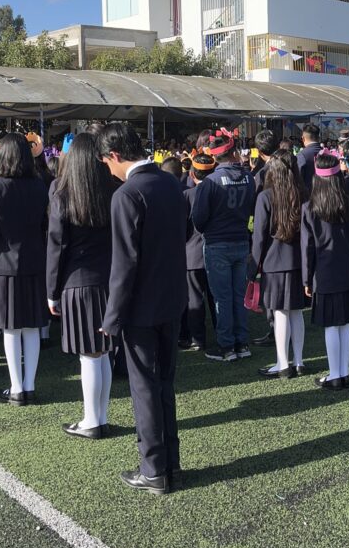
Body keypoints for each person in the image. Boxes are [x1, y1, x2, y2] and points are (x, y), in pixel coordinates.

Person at [98, 125, 188, 494]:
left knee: (145, 389)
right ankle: (170, 463)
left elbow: (124, 265)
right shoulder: (170, 183)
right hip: (172, 298)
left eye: (106, 161)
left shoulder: (127, 194)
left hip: (141, 307)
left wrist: (111, 317)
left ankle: (153, 469)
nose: (107, 169)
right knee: (164, 384)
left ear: (115, 156)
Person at [49, 132, 117, 437]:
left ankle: (93, 420)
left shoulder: (62, 195)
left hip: (77, 283)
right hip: (109, 280)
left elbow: (56, 247)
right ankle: (98, 416)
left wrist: (51, 291)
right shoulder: (114, 190)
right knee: (101, 352)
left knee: (89, 354)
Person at [0, 137, 51, 406]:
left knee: (11, 328)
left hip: (2, 264)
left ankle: (17, 387)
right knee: (32, 325)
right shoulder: (38, 186)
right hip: (35, 261)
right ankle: (28, 386)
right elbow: (45, 226)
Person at [189, 134, 256, 362]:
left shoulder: (210, 182)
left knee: (222, 298)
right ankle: (242, 342)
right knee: (238, 295)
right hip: (240, 240)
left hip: (217, 243)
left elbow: (198, 218)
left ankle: (227, 346)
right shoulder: (249, 178)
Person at [301, 154, 349, 389]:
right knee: (344, 323)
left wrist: (306, 278)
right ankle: (343, 372)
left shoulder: (310, 208)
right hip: (345, 267)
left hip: (323, 271)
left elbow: (307, 247)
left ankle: (335, 373)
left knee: (331, 324)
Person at [251, 159, 308, 379]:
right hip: (298, 261)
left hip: (274, 262)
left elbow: (259, 237)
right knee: (296, 312)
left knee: (280, 312)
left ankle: (283, 363)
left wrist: (253, 266)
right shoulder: (303, 194)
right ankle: (299, 361)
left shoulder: (265, 197)